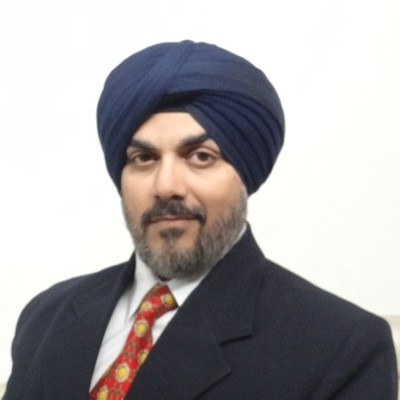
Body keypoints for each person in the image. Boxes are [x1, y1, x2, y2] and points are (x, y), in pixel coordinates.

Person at [4, 40, 397, 400]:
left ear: (245, 174)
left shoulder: (340, 347)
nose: (166, 186)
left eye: (201, 157)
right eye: (144, 158)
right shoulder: (47, 316)